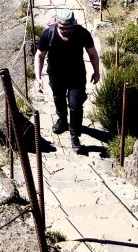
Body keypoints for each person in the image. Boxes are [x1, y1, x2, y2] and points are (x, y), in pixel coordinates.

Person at [34, 9, 100, 149]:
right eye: (62, 27)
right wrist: (38, 77)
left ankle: (74, 135)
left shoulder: (82, 33)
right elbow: (39, 55)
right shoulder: (48, 34)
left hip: (76, 75)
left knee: (76, 106)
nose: (65, 31)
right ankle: (62, 120)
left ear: (73, 24)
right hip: (56, 75)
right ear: (58, 24)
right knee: (59, 99)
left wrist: (96, 71)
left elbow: (92, 54)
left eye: (68, 28)